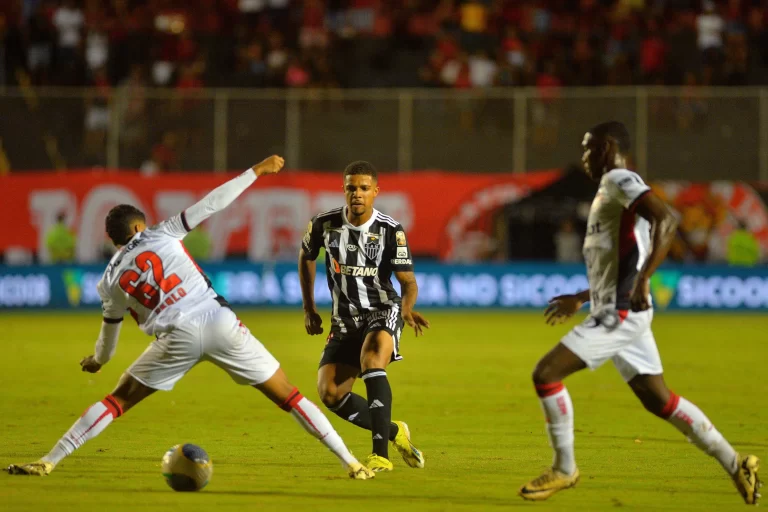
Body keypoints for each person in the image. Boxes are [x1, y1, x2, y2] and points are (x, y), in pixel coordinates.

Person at [7, 156, 375, 481]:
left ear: (116, 239)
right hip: (218, 321)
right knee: (290, 397)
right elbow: (212, 202)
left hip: (174, 337)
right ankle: (351, 462)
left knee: (117, 401)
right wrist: (255, 172)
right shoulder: (161, 231)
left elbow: (109, 338)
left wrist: (97, 361)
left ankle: (49, 460)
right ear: (138, 227)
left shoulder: (109, 279)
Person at [518, 122, 761, 504]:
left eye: (588, 148)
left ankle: (565, 469)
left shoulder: (620, 178)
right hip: (615, 307)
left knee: (546, 375)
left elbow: (666, 218)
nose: (583, 157)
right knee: (659, 400)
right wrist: (583, 297)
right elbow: (624, 259)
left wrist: (645, 280)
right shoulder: (607, 192)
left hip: (621, 313)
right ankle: (737, 463)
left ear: (607, 147)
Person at [298, 160, 430, 472]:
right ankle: (395, 431)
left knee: (372, 360)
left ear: (375, 192)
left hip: (382, 310)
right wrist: (309, 308)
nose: (357, 193)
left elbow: (408, 282)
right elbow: (306, 257)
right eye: (351, 188)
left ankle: (380, 454)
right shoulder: (323, 224)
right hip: (344, 319)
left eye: (364, 188)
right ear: (344, 191)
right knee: (330, 393)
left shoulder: (390, 230)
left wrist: (407, 309)